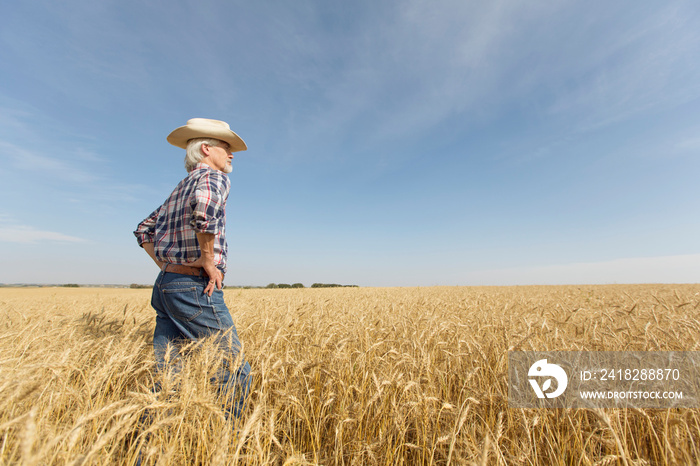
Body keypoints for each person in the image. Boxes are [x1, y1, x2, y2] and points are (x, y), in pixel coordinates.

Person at [133, 118, 251, 418]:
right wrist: (207, 260)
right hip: (192, 287)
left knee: (169, 375)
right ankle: (225, 443)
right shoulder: (213, 178)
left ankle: (153, 444)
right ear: (207, 149)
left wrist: (168, 265)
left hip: (167, 285)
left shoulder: (180, 187)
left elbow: (143, 229)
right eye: (226, 147)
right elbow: (205, 210)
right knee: (234, 370)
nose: (231, 154)